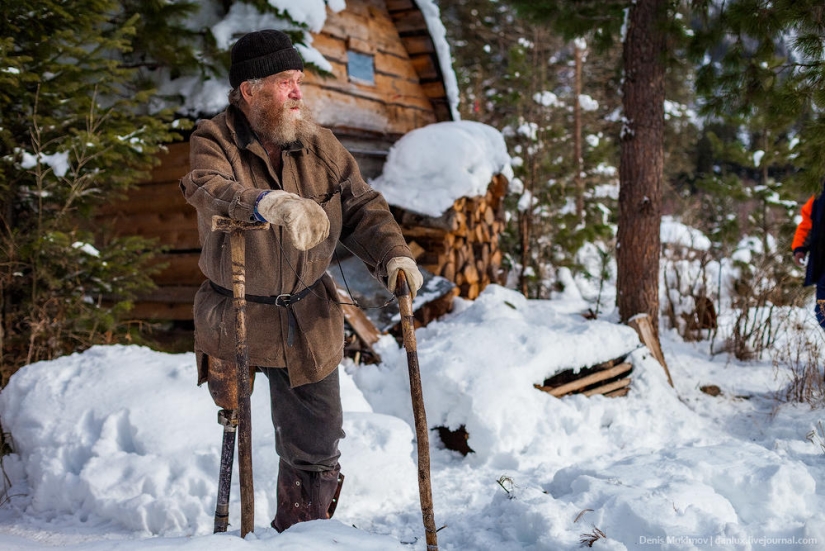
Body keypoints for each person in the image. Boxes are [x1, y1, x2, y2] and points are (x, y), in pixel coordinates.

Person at [180, 29, 423, 532]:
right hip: (238, 313)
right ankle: (234, 536)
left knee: (315, 444)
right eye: (284, 81)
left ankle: (302, 535)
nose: (297, 92)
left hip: (308, 317)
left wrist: (395, 257)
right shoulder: (214, 138)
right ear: (250, 90)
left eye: (299, 80)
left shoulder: (318, 144)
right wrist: (266, 203)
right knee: (235, 432)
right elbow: (207, 187)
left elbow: (361, 207)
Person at [792, 182, 825, 328]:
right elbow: (807, 224)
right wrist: (799, 248)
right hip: (823, 263)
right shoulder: (818, 198)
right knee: (822, 308)